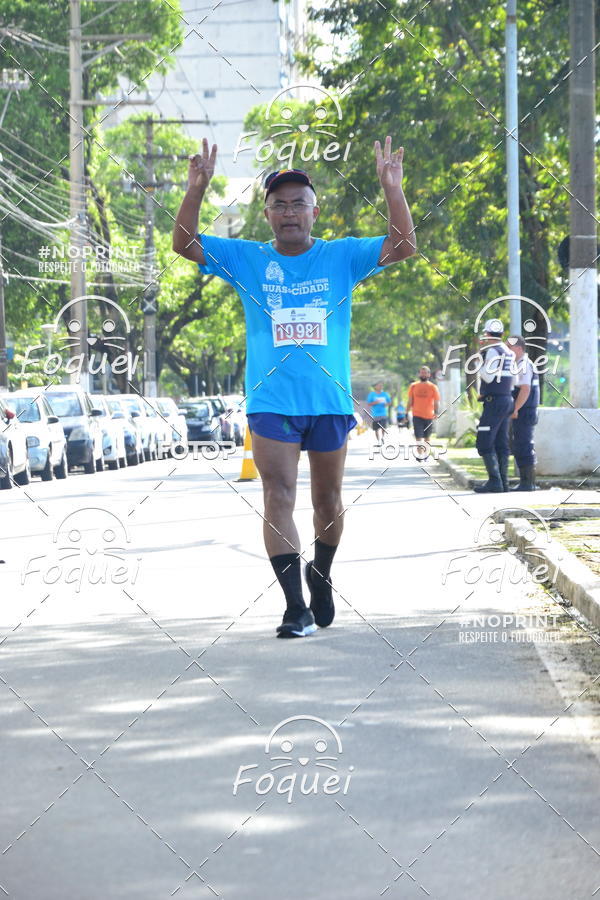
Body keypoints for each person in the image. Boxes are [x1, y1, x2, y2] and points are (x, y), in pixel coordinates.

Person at [173, 137, 416, 638]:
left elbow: (403, 246)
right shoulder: (246, 259)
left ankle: (320, 573)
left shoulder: (343, 257)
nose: (289, 213)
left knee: (328, 502)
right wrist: (196, 189)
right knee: (277, 494)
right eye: (278, 205)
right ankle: (294, 608)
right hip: (272, 402)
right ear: (266, 215)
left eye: (297, 204)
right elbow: (185, 243)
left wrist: (393, 190)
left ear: (314, 211)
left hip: (327, 402)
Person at [473, 319, 515, 493]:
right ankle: (503, 482)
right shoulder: (509, 352)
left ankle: (495, 482)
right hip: (506, 399)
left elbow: (488, 377)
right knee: (501, 442)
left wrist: (478, 364)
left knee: (484, 441)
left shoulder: (492, 351)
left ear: (488, 335)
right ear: (502, 334)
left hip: (495, 402)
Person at [509, 335, 539, 491]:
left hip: (525, 411)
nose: (507, 350)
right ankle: (526, 482)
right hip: (523, 411)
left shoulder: (524, 365)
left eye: (510, 347)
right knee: (520, 444)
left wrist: (515, 408)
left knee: (524, 445)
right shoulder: (519, 364)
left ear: (519, 348)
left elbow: (525, 389)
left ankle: (528, 483)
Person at [406, 366, 439, 446]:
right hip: (417, 415)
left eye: (425, 373)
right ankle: (420, 456)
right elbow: (410, 401)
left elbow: (436, 401)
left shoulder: (433, 387)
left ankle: (426, 454)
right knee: (418, 436)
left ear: (429, 375)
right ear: (419, 374)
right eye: (421, 373)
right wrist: (406, 413)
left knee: (427, 437)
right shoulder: (413, 386)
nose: (423, 375)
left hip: (429, 416)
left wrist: (436, 412)